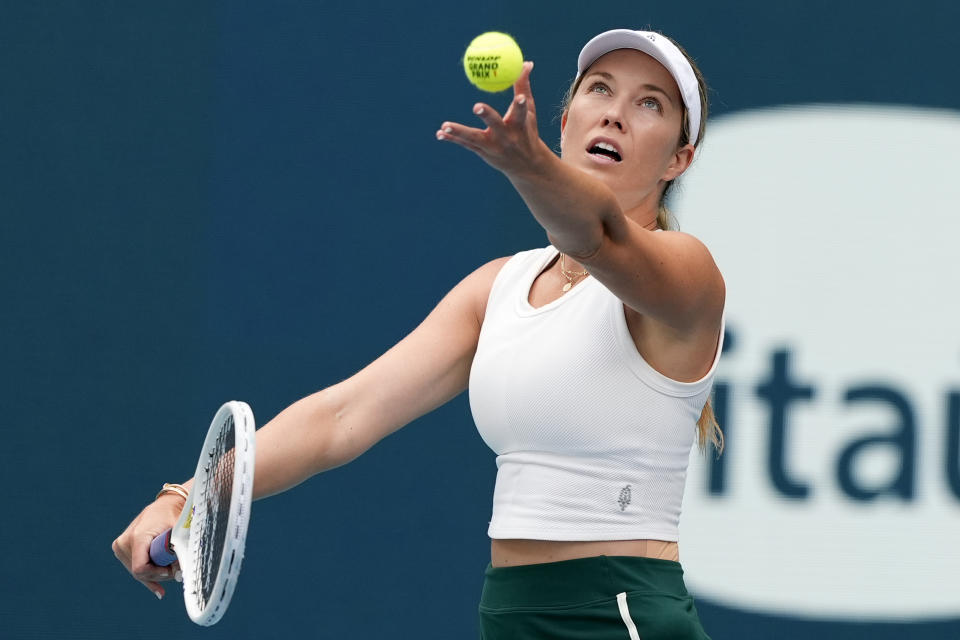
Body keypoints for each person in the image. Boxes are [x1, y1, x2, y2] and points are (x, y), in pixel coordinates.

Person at [113, 28, 724, 639]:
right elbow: (341, 417)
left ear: (680, 158)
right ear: (567, 120)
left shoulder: (687, 272)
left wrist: (533, 170)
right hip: (510, 613)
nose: (616, 114)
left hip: (620, 614)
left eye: (650, 104)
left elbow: (598, 236)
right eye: (600, 89)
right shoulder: (497, 289)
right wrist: (190, 496)